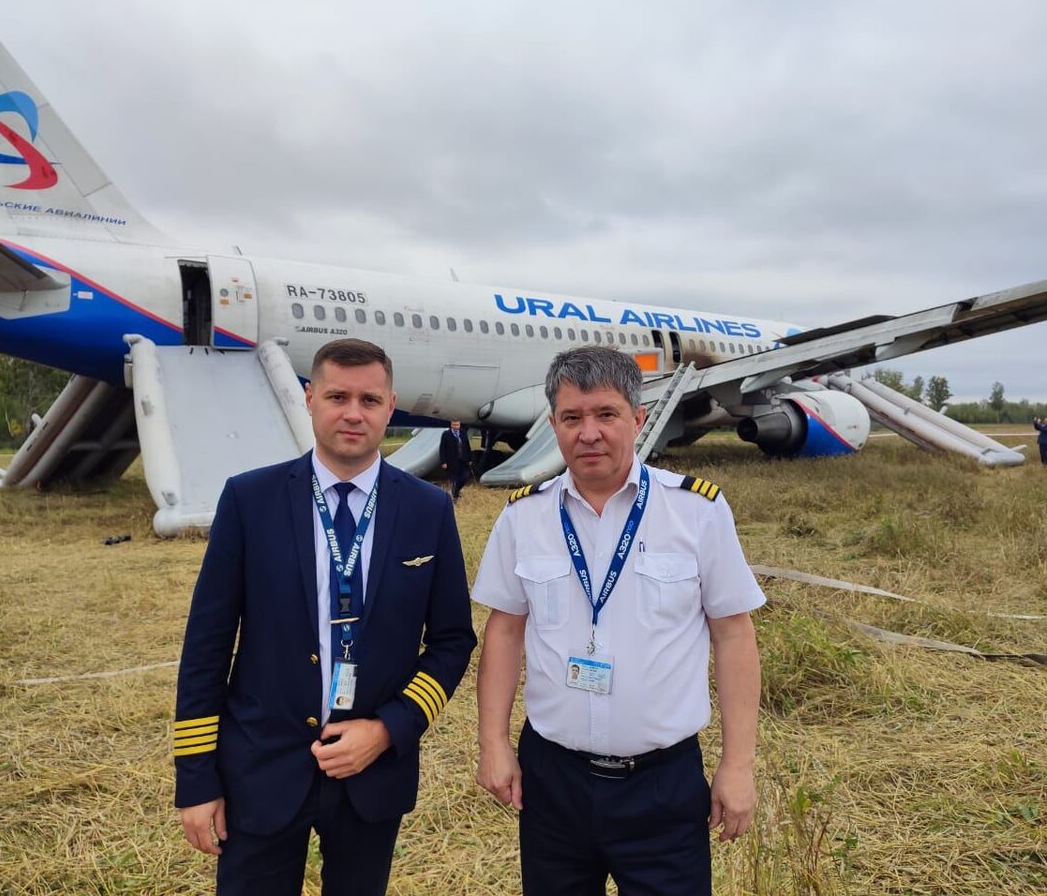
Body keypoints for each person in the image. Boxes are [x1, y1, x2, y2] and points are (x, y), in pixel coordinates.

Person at [173, 338, 477, 896]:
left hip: (371, 773)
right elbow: (207, 647)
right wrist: (195, 779)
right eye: (338, 396)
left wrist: (388, 730)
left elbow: (454, 640)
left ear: (391, 406)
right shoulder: (249, 500)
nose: (353, 413)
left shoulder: (428, 510)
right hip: (262, 768)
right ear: (310, 400)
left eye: (369, 399)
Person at [472, 345, 765, 896]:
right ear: (553, 424)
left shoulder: (697, 511)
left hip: (663, 784)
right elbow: (505, 630)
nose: (589, 433)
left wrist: (738, 765)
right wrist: (493, 742)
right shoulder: (523, 516)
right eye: (571, 417)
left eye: (606, 415)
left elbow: (733, 633)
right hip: (552, 781)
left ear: (638, 418)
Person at [439, 419, 474, 500]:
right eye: (454, 425)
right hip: (451, 461)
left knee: (465, 476)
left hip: (463, 460)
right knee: (454, 479)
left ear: (459, 425)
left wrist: (470, 458)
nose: (456, 427)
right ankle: (455, 496)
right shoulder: (446, 434)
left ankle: (456, 491)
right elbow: (442, 449)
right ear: (451, 425)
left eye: (457, 425)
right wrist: (443, 461)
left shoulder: (463, 433)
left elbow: (467, 446)